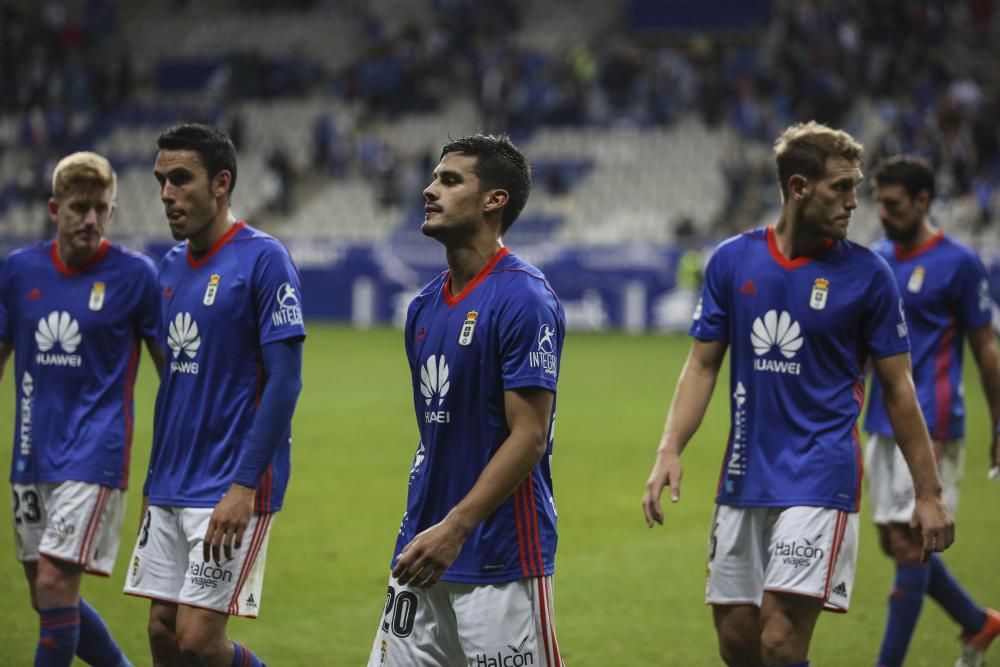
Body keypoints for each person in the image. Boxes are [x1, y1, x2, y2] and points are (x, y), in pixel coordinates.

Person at [640, 121, 955, 667]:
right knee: (739, 644)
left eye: (856, 187)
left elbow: (899, 389)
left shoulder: (869, 275)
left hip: (820, 475)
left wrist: (926, 492)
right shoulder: (733, 260)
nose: (855, 203)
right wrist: (670, 449)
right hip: (743, 477)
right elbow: (702, 365)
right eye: (841, 187)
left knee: (780, 642)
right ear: (798, 187)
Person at [366, 134, 566, 667]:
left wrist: (456, 528)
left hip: (499, 558)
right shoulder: (424, 307)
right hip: (420, 552)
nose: (429, 191)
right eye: (433, 179)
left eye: (450, 181)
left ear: (493, 200)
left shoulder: (523, 298)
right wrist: (430, 529)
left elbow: (529, 436)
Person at [122, 123, 305, 667]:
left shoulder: (264, 260)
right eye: (160, 181)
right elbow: (175, 388)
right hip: (172, 482)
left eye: (181, 179)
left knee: (197, 639)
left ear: (221, 183)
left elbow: (286, 381)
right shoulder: (171, 267)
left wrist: (243, 486)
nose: (166, 194)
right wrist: (154, 486)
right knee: (160, 631)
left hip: (227, 483)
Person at [0, 151, 164, 666]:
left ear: (113, 211)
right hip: (31, 453)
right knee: (47, 595)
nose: (90, 218)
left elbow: (174, 375)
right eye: (78, 208)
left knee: (54, 581)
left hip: (96, 454)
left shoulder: (135, 275)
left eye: (100, 208)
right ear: (54, 208)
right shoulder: (18, 270)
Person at [863, 155, 1000, 667]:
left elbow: (986, 347)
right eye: (878, 203)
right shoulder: (875, 258)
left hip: (935, 418)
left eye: (893, 204)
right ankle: (978, 623)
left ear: (923, 201)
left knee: (912, 543)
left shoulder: (959, 262)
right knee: (895, 539)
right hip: (880, 418)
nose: (882, 213)